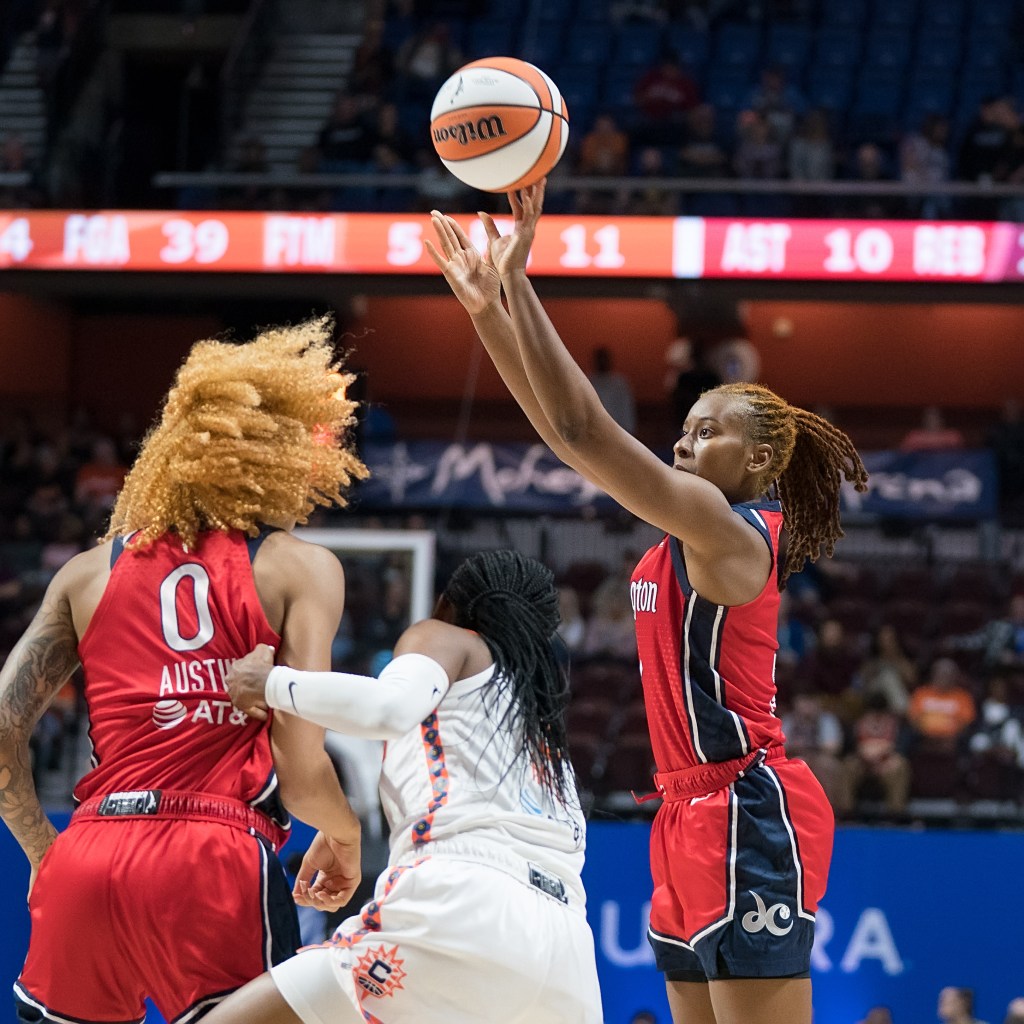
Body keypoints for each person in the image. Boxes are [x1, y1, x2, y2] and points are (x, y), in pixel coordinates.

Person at [424, 181, 869, 1024]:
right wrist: (489, 308)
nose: (684, 442)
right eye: (684, 429)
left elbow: (587, 431)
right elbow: (566, 437)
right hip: (683, 807)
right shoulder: (686, 528)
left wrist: (520, 283)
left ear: (763, 457)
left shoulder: (732, 529)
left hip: (747, 802)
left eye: (708, 432)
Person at [0, 318, 369, 1024]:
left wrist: (44, 853)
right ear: (280, 452)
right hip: (214, 858)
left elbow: (0, 726)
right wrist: (345, 835)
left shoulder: (86, 575)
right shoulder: (299, 568)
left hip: (91, 850)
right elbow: (300, 768)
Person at [206, 549, 603, 1024]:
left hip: (464, 901)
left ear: (449, 602)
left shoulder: (447, 637)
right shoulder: (540, 728)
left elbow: (386, 709)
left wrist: (270, 683)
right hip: (568, 953)